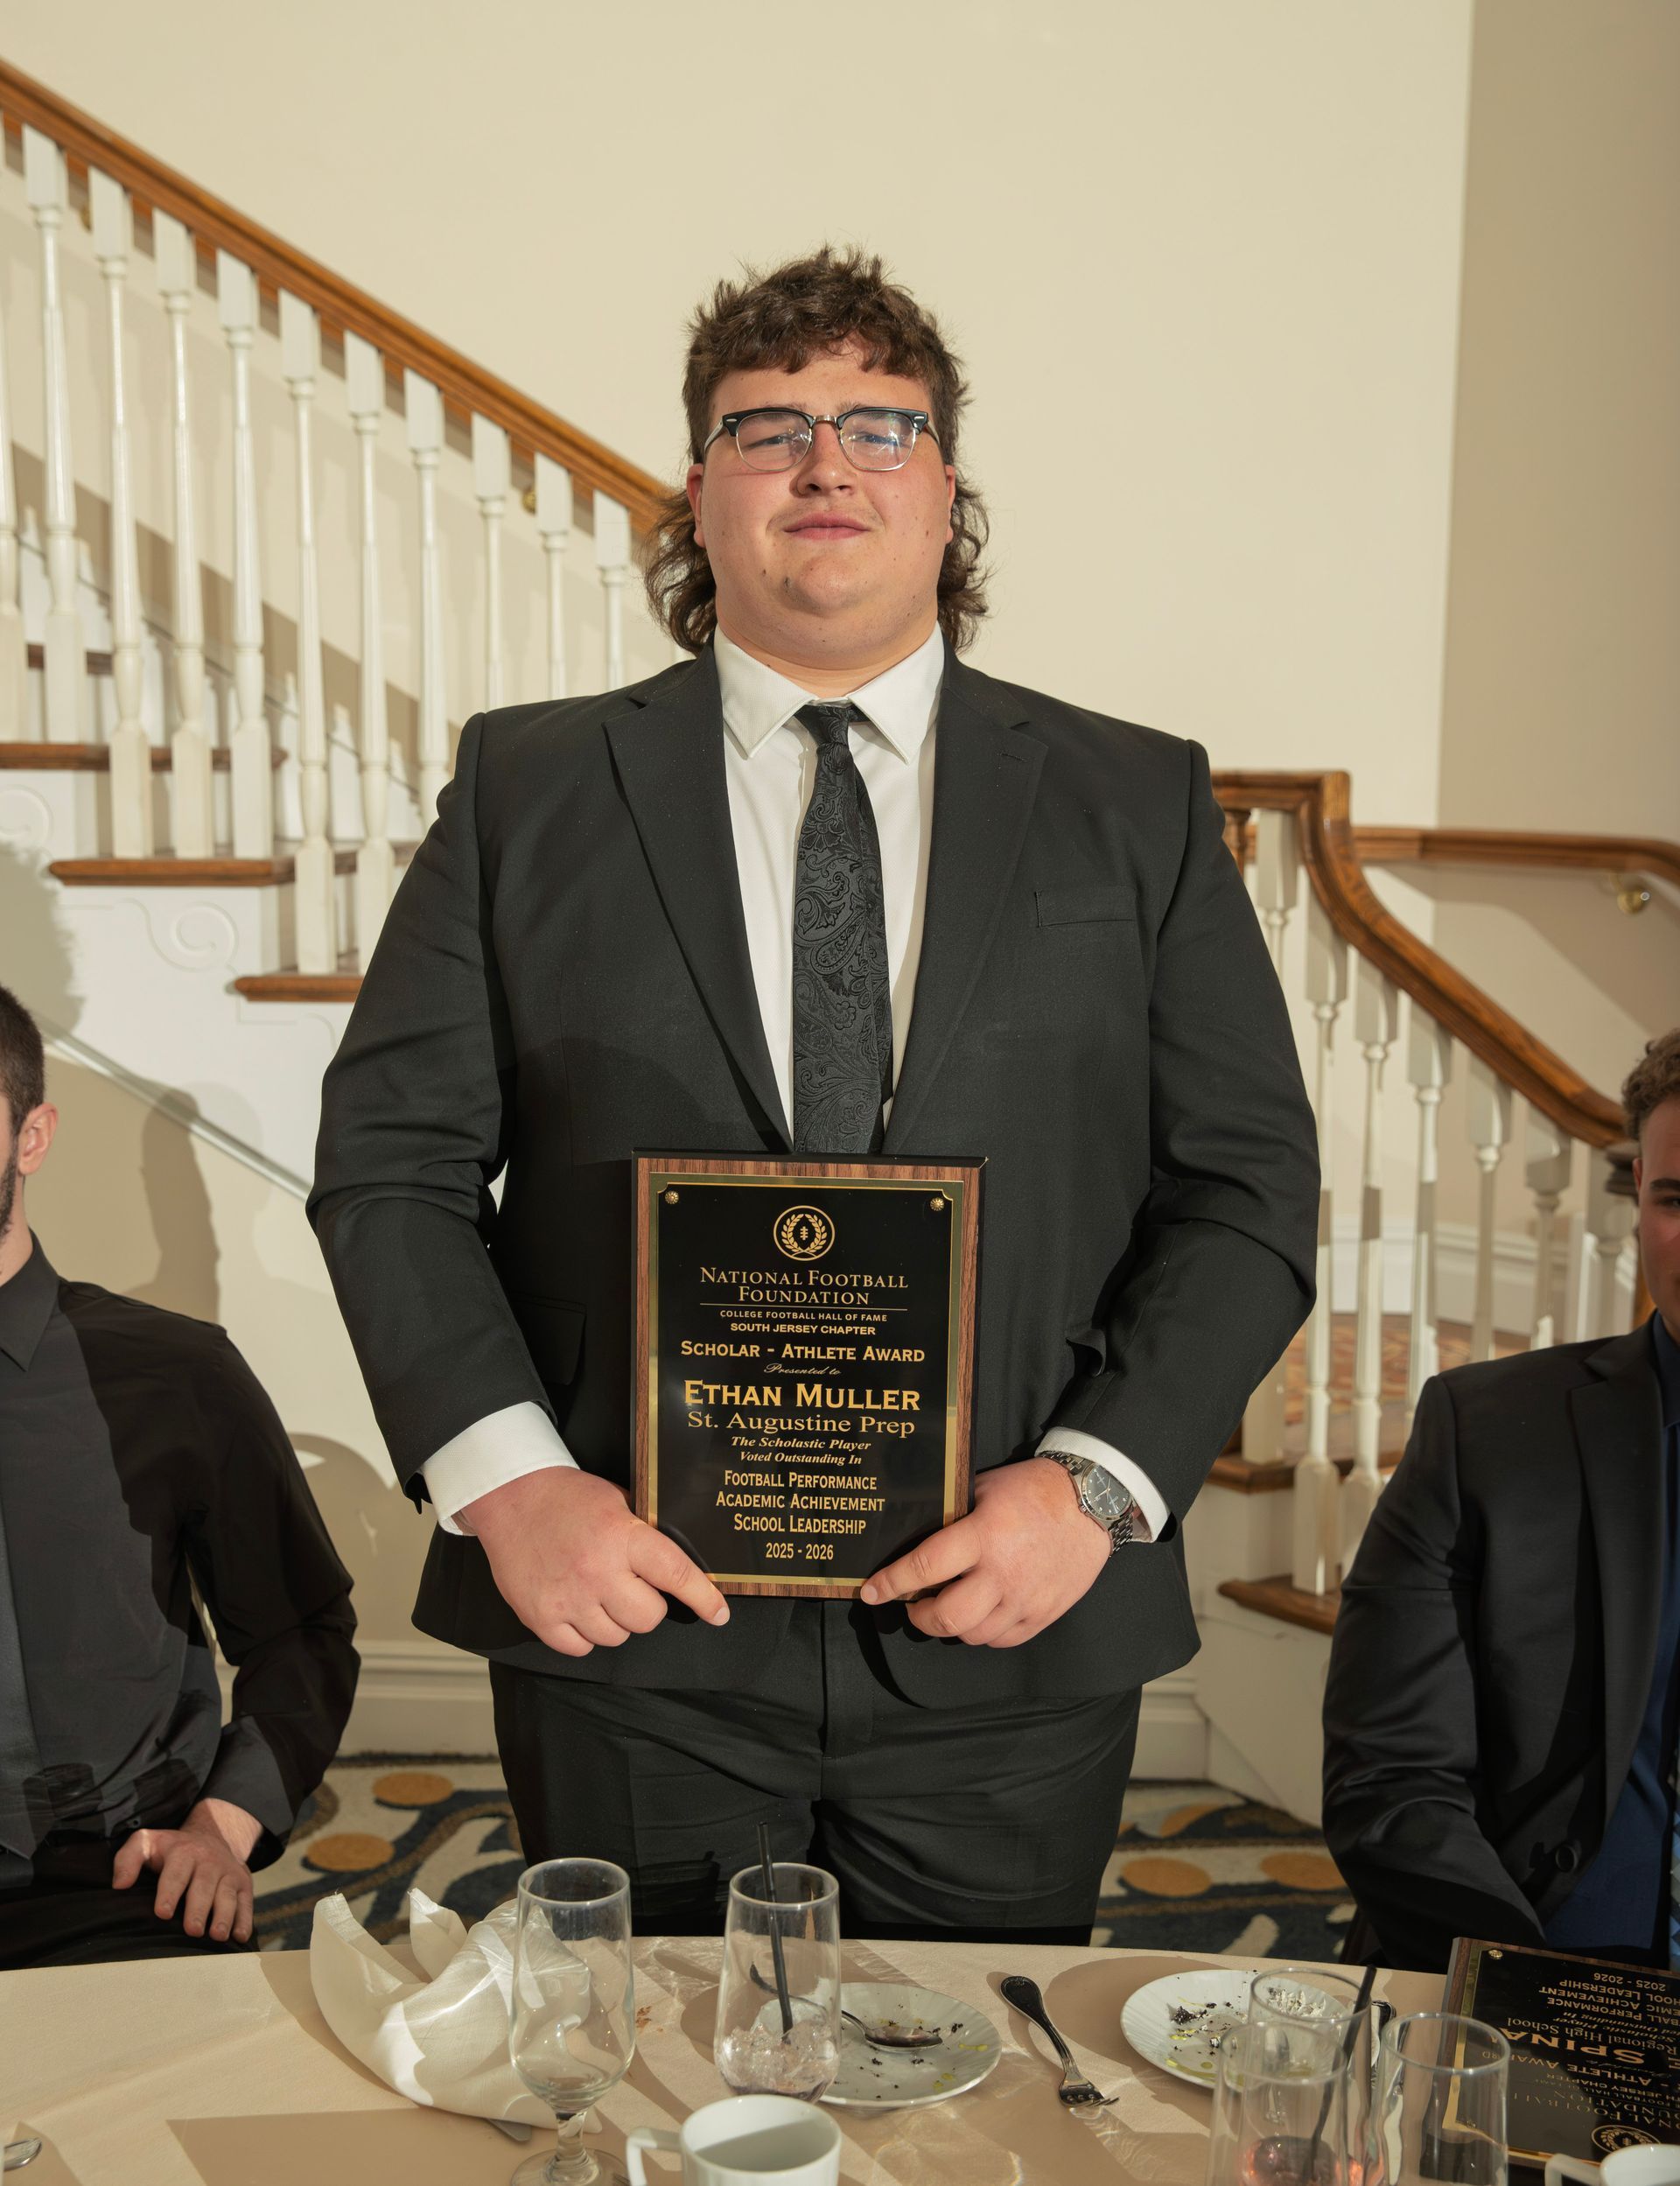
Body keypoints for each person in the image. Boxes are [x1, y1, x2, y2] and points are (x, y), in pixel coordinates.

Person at [312, 246, 1317, 1942]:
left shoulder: (1136, 805)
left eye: (878, 427)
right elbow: (390, 1167)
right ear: (700, 497)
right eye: (768, 428)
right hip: (631, 1626)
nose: (825, 462)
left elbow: (1245, 1191)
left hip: (1009, 1624)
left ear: (947, 497)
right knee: (645, 2088)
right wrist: (510, 1483)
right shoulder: (527, 792)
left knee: (980, 2103)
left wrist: (1096, 1486)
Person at [0, 984, 357, 1967]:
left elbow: (300, 1632)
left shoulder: (178, 1373)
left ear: (32, 1134)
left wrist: (225, 1823)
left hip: (111, 1884)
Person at [1323, 1029, 1680, 1972]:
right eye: (1677, 1198)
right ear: (1638, 1193)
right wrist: (1523, 1998)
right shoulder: (1484, 1431)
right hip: (1524, 1967)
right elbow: (1392, 1778)